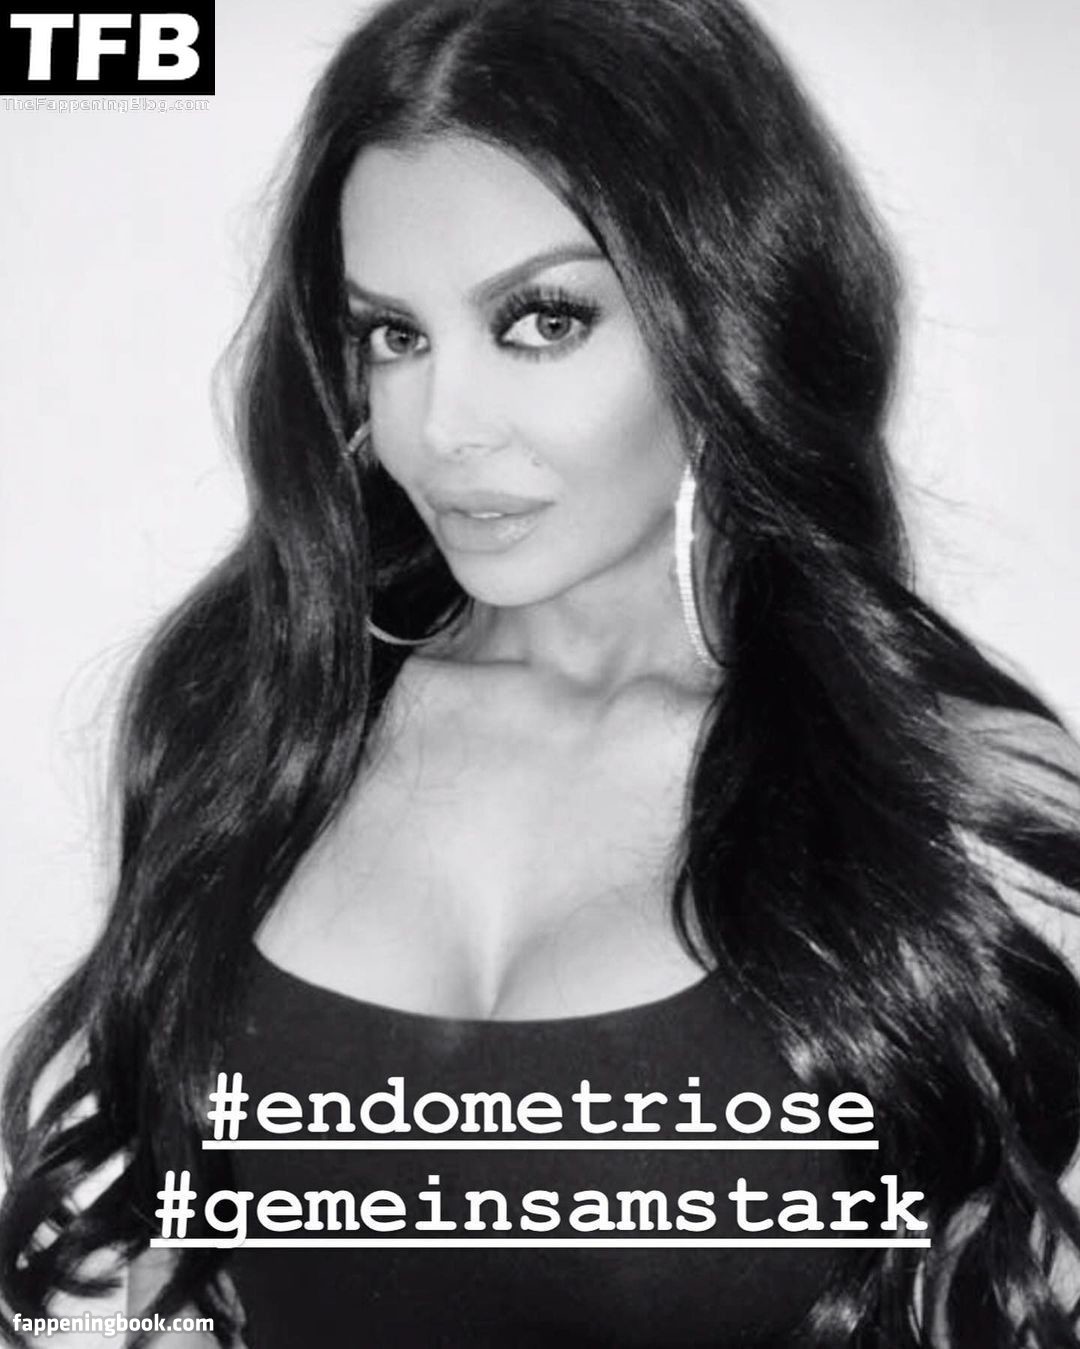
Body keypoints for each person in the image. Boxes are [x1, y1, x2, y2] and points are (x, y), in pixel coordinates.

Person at [2, 0, 1079, 1344]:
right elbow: (187, 1276)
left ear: (723, 312)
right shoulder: (258, 720)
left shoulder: (956, 805)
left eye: (541, 319)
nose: (439, 426)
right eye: (392, 335)